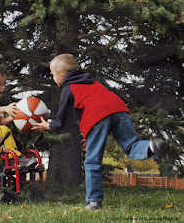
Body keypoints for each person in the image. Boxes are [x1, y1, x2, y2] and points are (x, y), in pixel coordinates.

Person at [31, 53, 177, 210]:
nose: (53, 78)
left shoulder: (69, 88)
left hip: (98, 116)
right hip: (118, 109)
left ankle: (94, 201)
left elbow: (64, 120)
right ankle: (152, 147)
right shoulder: (91, 82)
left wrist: (49, 125)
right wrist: (90, 134)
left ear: (62, 75)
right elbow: (100, 108)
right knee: (132, 145)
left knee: (92, 161)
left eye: (53, 75)